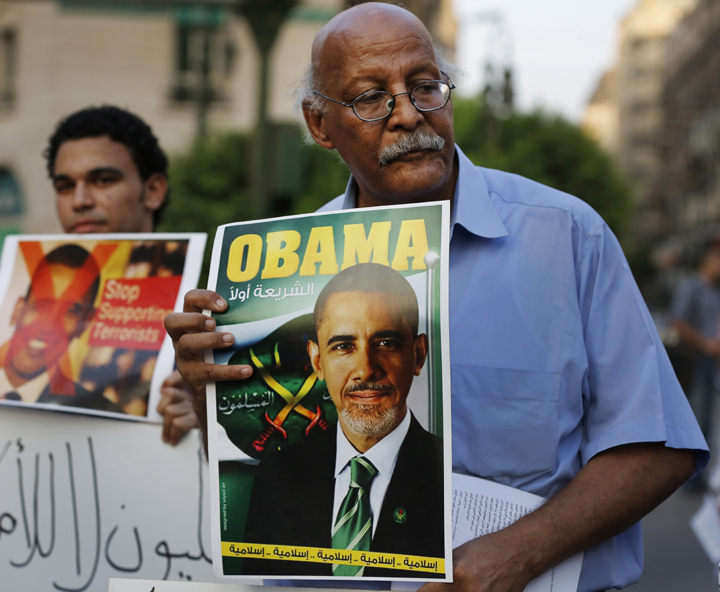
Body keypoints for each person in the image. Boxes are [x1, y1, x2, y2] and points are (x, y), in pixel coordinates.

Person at [164, 4, 708, 591]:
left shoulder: (565, 236)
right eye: (370, 97)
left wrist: (520, 553)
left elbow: (659, 443)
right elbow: (254, 477)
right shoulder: (281, 278)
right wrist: (208, 396)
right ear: (319, 126)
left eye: (424, 86)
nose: (406, 114)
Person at [0, 105, 196, 441]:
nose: (80, 200)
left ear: (153, 190)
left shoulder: (204, 320)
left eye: (103, 180)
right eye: (64, 186)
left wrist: (209, 418)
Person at [244, 264, 445, 578]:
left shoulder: (450, 473)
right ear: (317, 361)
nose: (365, 369)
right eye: (343, 347)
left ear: (418, 355)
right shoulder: (278, 475)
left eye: (386, 343)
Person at [0, 244, 121, 411]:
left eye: (71, 311)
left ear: (86, 323)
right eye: (42, 304)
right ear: (18, 309)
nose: (49, 325)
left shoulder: (98, 412)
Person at [670, 237, 720, 444]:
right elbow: (677, 321)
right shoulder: (691, 286)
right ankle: (691, 472)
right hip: (695, 361)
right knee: (696, 417)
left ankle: (701, 471)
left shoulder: (714, 292)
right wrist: (705, 344)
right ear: (707, 261)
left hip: (712, 362)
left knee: (708, 419)